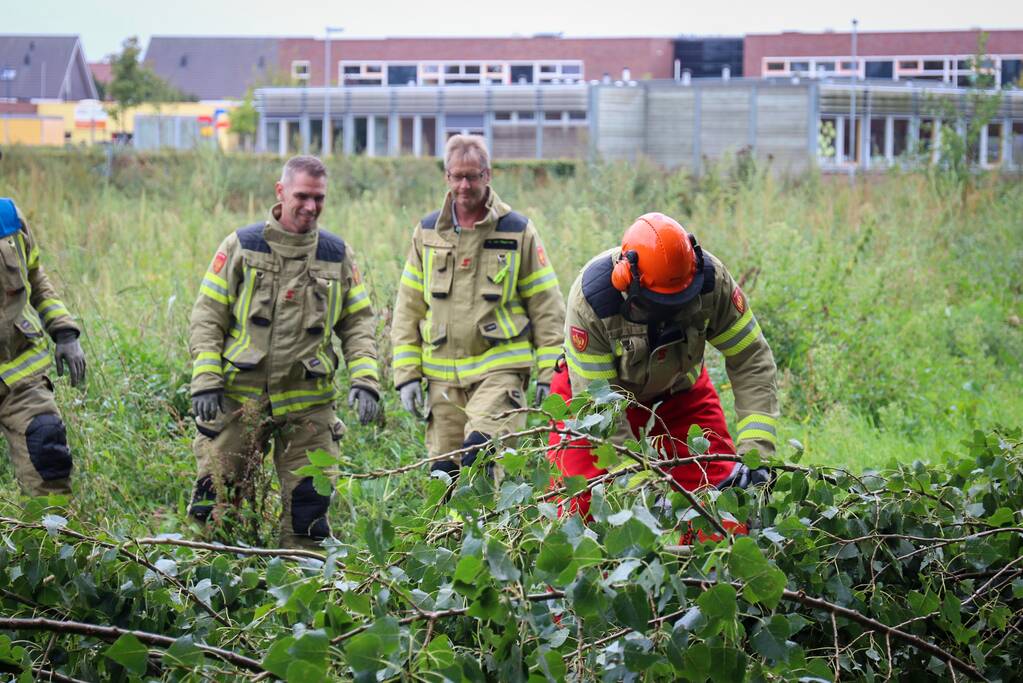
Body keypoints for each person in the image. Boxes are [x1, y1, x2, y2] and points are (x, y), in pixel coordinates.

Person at [186, 155, 380, 548]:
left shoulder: (336, 254)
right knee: (214, 504)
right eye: (302, 196)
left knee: (309, 512)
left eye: (319, 198)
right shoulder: (243, 245)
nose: (311, 206)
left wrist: (366, 380)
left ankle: (301, 580)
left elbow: (358, 324)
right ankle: (204, 574)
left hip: (309, 403)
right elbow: (208, 316)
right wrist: (206, 378)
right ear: (280, 191)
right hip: (240, 398)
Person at [548, 212, 779, 518]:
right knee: (582, 505)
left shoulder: (712, 282)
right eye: (661, 304)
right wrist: (645, 490)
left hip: (680, 391)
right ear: (626, 282)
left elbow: (751, 358)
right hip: (597, 399)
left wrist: (757, 455)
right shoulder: (591, 301)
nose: (672, 312)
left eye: (681, 301)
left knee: (717, 498)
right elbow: (601, 413)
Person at [391, 135, 565, 475]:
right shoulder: (427, 232)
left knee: (480, 457)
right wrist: (407, 375)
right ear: (446, 177)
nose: (464, 186)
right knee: (444, 476)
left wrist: (550, 375)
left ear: (488, 175)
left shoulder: (517, 231)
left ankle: (493, 513)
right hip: (442, 379)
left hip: (500, 372)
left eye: (472, 176)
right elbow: (408, 309)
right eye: (457, 176)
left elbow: (547, 308)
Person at [0, 198, 86, 497]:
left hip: (21, 374)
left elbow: (35, 276)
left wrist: (64, 331)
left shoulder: (9, 218)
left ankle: (49, 528)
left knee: (48, 454)